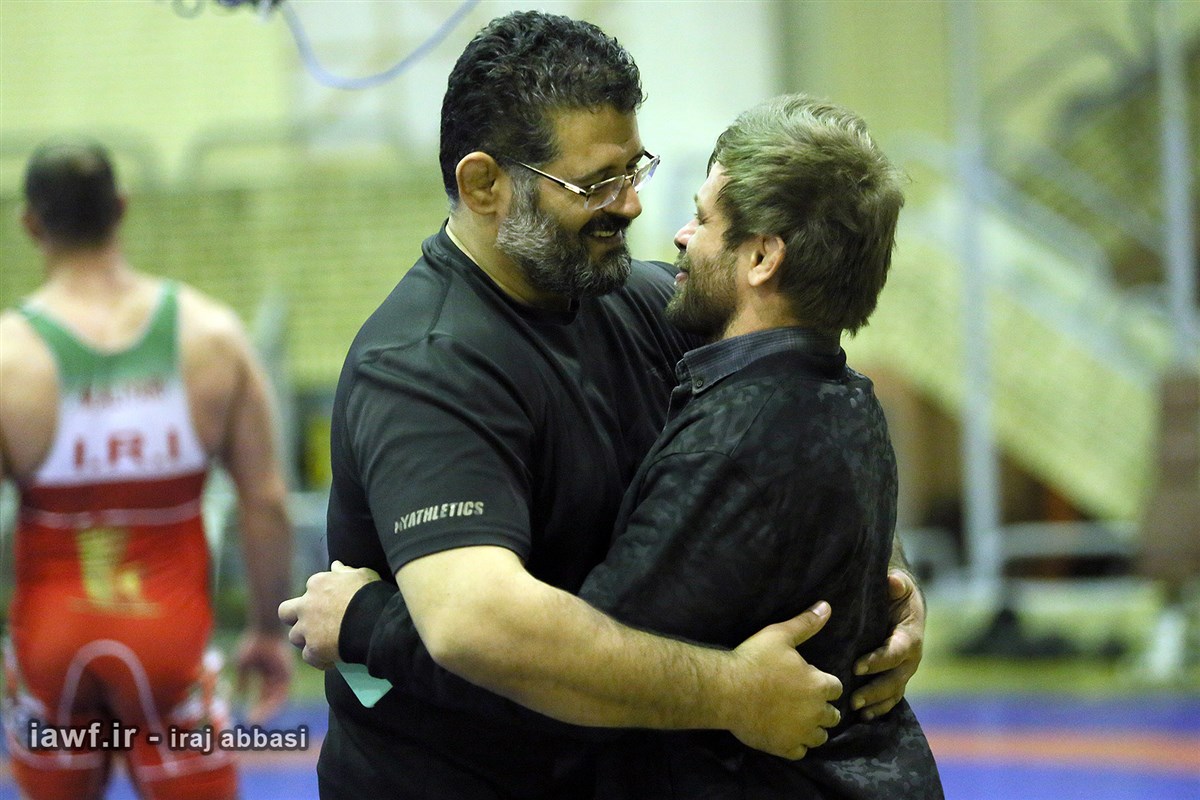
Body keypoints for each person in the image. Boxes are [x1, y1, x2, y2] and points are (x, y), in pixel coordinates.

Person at [278, 11, 926, 799]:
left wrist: (881, 587)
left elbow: (804, 417)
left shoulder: (640, 299)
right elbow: (476, 627)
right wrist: (732, 692)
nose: (631, 206)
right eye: (595, 184)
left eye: (634, 169)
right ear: (484, 185)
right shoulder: (425, 364)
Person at [574, 93, 943, 798]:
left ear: (763, 257)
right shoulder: (849, 399)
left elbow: (586, 664)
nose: (681, 236)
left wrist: (372, 623)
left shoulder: (733, 443)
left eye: (704, 220)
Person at [0, 139, 294, 800]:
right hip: (168, 635)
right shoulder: (211, 335)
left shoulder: (8, 356)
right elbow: (267, 501)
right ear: (121, 209)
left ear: (31, 224)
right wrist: (266, 632)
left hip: (51, 635)